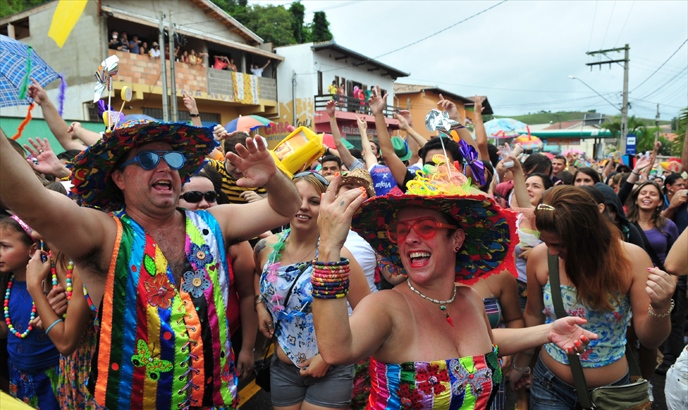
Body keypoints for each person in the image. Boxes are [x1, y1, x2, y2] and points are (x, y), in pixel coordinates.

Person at [0, 121, 301, 408]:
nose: (164, 166)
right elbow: (33, 202)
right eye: (146, 159)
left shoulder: (215, 222)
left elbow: (285, 207)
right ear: (119, 178)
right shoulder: (103, 234)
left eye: (171, 158)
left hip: (216, 399)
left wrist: (272, 177)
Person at [311, 165, 598, 410]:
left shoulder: (469, 298)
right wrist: (329, 249)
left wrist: (548, 331)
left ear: (456, 239)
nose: (410, 239)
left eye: (425, 227)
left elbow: (486, 344)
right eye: (402, 230)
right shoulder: (386, 306)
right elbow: (336, 350)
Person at [524, 186, 675, 409]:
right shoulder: (541, 257)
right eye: (547, 242)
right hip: (549, 386)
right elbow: (532, 314)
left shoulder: (631, 259)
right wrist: (522, 363)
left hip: (612, 394)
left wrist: (661, 305)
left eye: (560, 244)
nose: (552, 251)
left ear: (588, 235)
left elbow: (650, 340)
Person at [254, 172, 371, 409]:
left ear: (326, 207)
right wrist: (259, 304)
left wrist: (329, 357)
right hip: (282, 368)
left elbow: (368, 312)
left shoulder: (339, 256)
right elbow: (259, 273)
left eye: (314, 201)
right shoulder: (266, 247)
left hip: (331, 370)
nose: (303, 207)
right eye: (297, 198)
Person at [178, 166, 258, 381]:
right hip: (173, 352)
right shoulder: (155, 243)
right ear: (175, 201)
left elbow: (248, 296)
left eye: (211, 196)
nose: (204, 203)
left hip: (226, 343)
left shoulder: (235, 243)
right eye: (193, 196)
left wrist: (247, 348)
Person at [0, 215, 60, 409]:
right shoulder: (5, 286)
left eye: (4, 246)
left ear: (32, 250)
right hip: (17, 372)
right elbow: (5, 329)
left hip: (50, 374)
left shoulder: (51, 285)